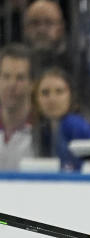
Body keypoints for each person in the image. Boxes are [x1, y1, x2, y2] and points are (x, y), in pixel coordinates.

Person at [31, 66, 90, 171]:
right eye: (45, 92)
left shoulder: (75, 125)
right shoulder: (42, 131)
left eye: (59, 91)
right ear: (36, 99)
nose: (52, 99)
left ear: (71, 96)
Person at [0, 43, 34, 171]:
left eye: (20, 78)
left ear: (32, 84)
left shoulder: (43, 130)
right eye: (6, 76)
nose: (11, 84)